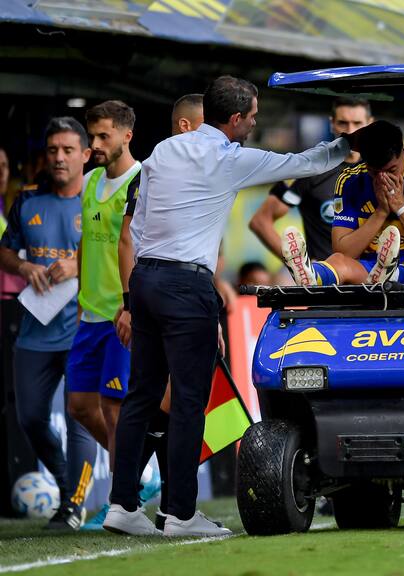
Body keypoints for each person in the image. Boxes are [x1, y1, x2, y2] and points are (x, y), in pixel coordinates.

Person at [105, 75, 359, 537]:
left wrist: (141, 285)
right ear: (236, 119)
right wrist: (355, 143)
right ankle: (180, 513)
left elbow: (137, 226)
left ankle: (121, 505)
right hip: (185, 285)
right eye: (254, 115)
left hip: (145, 280)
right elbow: (306, 161)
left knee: (141, 395)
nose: (256, 122)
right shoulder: (228, 158)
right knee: (187, 402)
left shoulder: (161, 151)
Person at [111, 93, 205, 531]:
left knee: (152, 397)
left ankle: (132, 503)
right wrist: (128, 305)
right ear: (186, 127)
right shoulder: (153, 171)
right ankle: (173, 508)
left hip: (163, 291)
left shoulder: (184, 170)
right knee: (173, 399)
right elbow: (129, 239)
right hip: (165, 294)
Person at [0, 118, 98, 530]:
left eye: (68, 150)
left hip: (83, 328)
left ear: (85, 155)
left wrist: (79, 264)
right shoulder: (28, 199)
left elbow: (124, 252)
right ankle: (63, 486)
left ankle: (75, 504)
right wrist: (23, 265)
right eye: (54, 150)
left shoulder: (99, 200)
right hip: (35, 330)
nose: (59, 157)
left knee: (81, 417)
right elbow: (5, 252)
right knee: (31, 417)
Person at [65, 100, 142, 526]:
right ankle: (133, 466)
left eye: (102, 136)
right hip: (89, 314)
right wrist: (79, 299)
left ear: (126, 136)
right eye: (91, 136)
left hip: (120, 316)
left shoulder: (141, 180)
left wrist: (131, 306)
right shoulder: (91, 180)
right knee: (79, 406)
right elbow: (85, 247)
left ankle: (121, 501)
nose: (94, 144)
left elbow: (139, 247)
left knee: (114, 409)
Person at [282, 120, 404, 286]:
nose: (383, 179)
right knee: (338, 261)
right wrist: (380, 212)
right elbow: (344, 252)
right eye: (375, 173)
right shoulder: (349, 180)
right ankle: (312, 274)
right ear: (365, 163)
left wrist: (401, 208)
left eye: (392, 170)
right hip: (368, 269)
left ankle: (390, 272)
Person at [249, 97, 373, 261]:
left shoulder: (383, 168)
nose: (350, 131)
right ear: (332, 123)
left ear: (370, 124)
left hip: (372, 281)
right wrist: (299, 265)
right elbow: (260, 222)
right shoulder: (311, 166)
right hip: (327, 281)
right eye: (343, 123)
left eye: (357, 123)